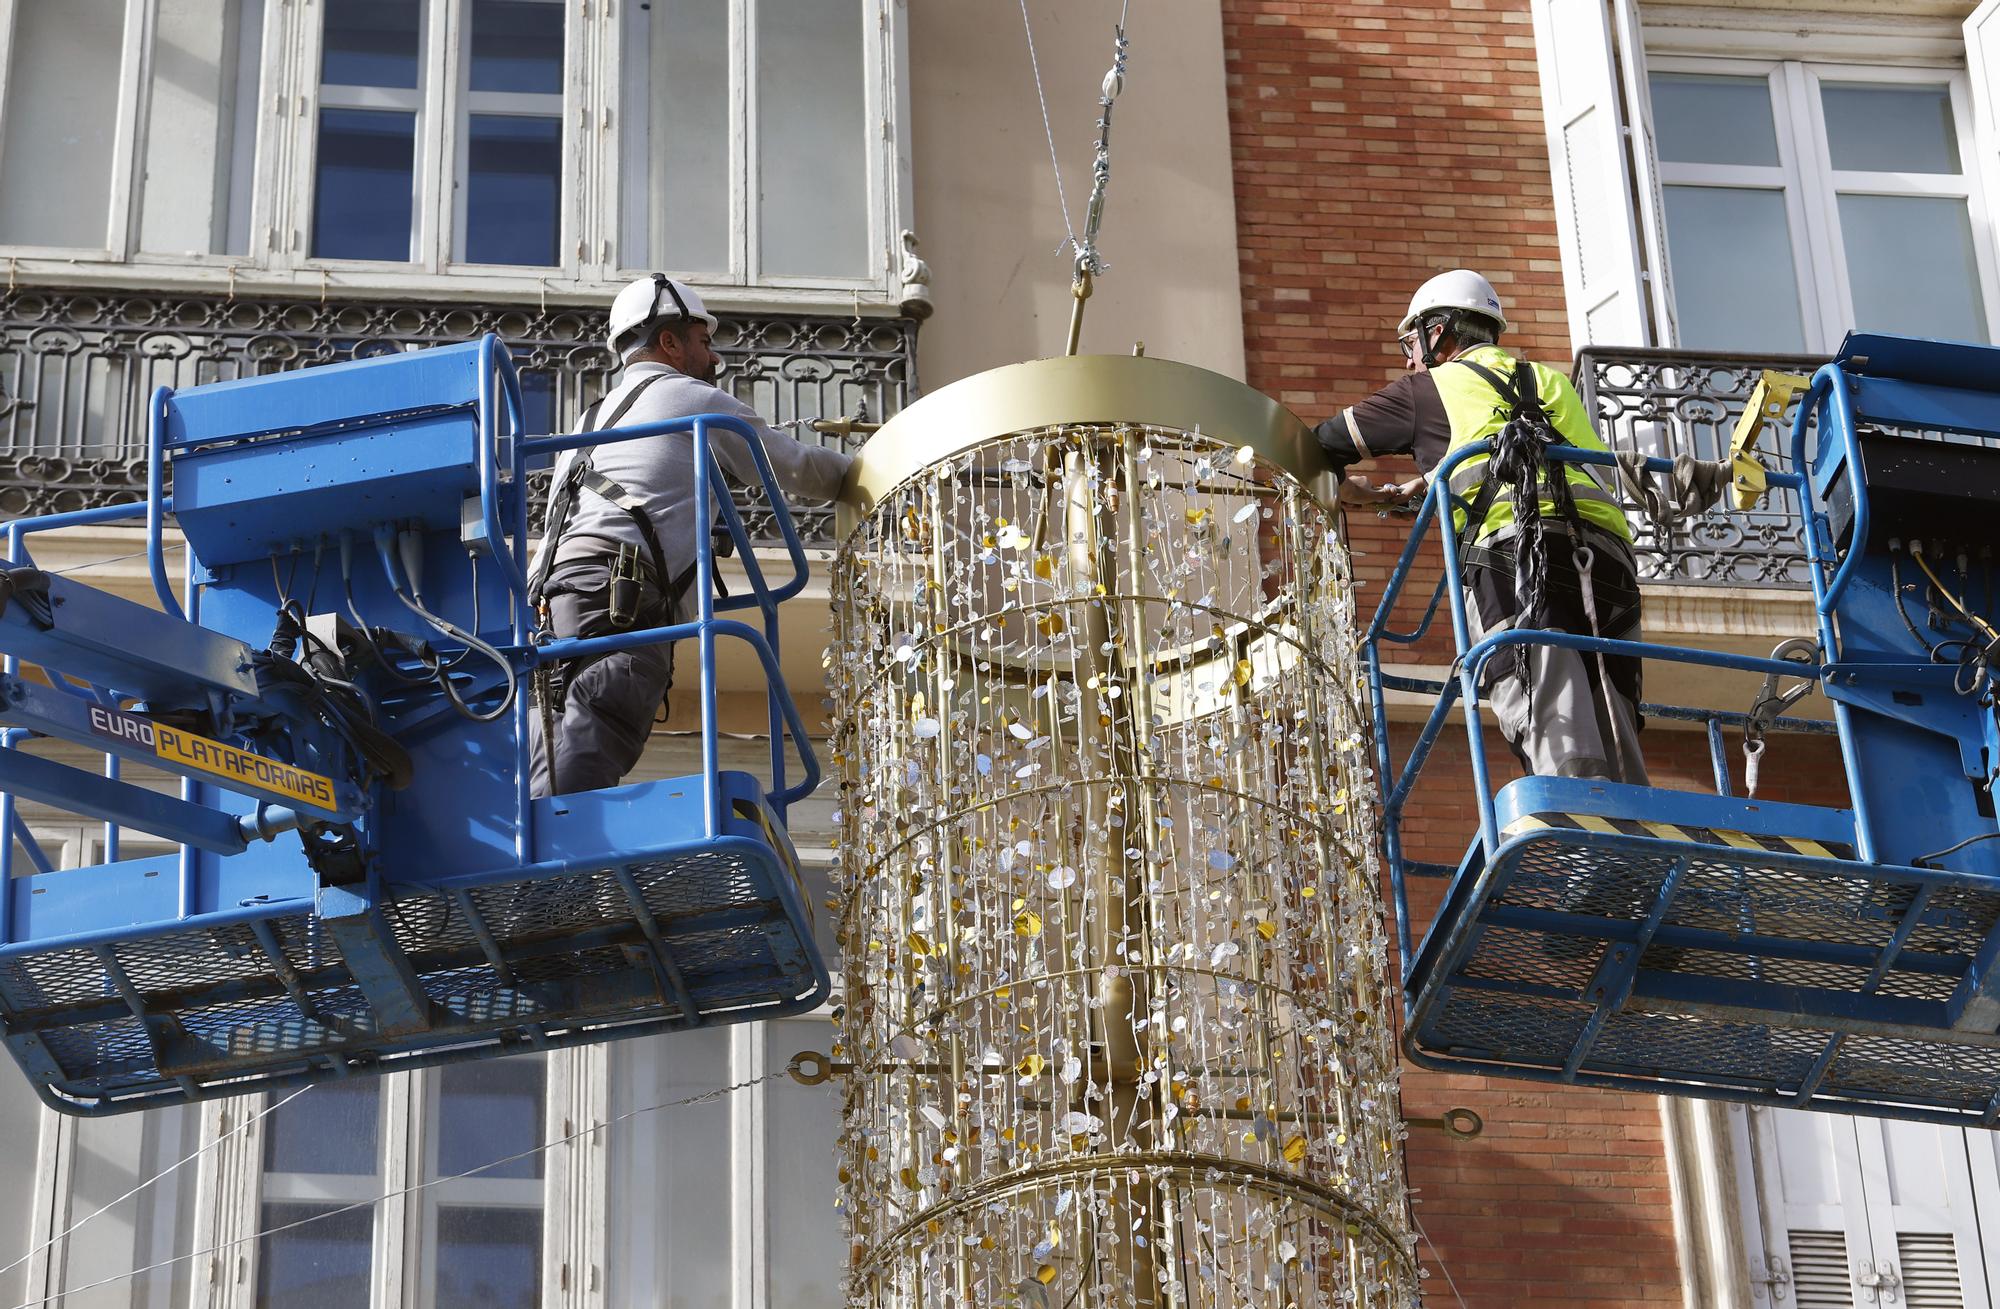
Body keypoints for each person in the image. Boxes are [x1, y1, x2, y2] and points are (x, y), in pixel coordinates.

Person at [1316, 269, 1648, 784]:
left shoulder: (1428, 388)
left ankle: (1584, 828)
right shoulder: (1551, 380)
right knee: (1611, 697)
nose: (1408, 359)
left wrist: (1350, 491)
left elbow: (1320, 444)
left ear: (1439, 331)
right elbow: (1528, 450)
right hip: (1606, 554)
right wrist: (1427, 486)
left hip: (1512, 552)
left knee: (1546, 699)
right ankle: (1634, 829)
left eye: (1411, 342)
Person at [528, 274, 854, 796]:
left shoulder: (587, 422)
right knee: (596, 727)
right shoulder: (685, 395)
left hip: (553, 603)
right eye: (704, 341)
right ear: (669, 342)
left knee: (554, 737)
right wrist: (873, 473)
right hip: (616, 597)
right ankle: (557, 874)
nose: (715, 359)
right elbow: (796, 467)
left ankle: (539, 860)